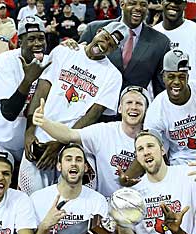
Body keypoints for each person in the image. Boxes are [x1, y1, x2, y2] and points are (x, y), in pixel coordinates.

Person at [18, 22, 125, 194]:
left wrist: (61, 143)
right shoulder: (64, 51)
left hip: (71, 144)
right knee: (29, 198)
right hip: (40, 135)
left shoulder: (113, 75)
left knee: (65, 205)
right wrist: (30, 130)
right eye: (104, 38)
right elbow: (42, 89)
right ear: (98, 31)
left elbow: (93, 115)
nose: (104, 45)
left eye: (111, 44)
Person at [27, 144, 126, 234]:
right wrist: (45, 225)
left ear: (85, 168)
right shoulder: (38, 199)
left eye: (78, 160)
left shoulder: (97, 200)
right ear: (59, 166)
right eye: (68, 159)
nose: (73, 163)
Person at [0, 16, 48, 182]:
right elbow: (9, 112)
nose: (37, 44)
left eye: (41, 38)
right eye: (31, 39)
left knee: (31, 193)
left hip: (24, 144)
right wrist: (28, 80)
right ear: (20, 42)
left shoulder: (49, 62)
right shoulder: (4, 62)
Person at [32, 86, 148, 197]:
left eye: (139, 103)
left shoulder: (152, 139)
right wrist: (44, 123)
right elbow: (69, 134)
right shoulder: (104, 131)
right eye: (129, 102)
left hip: (139, 203)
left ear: (146, 110)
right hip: (105, 202)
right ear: (120, 108)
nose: (133, 107)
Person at [79, 0, 172, 96]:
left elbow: (161, 90)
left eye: (143, 4)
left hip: (133, 107)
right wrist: (69, 46)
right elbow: (75, 65)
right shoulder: (93, 29)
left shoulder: (161, 42)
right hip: (91, 104)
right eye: (132, 3)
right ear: (122, 4)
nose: (138, 8)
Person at [153, 0, 196, 81]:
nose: (173, 4)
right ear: (162, 2)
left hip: (192, 93)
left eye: (178, 1)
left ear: (185, 5)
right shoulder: (152, 34)